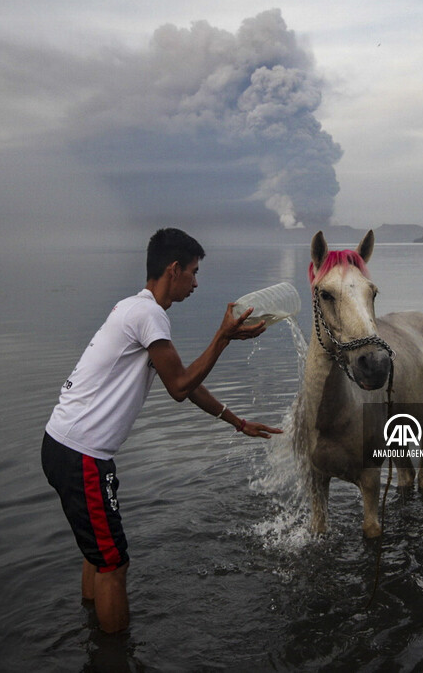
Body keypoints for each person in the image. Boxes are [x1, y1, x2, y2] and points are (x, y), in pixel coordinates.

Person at [41, 227, 282, 634]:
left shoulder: (135, 310)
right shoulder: (148, 314)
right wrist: (221, 338)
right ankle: (115, 656)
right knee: (115, 564)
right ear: (174, 269)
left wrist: (237, 422)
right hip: (81, 454)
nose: (196, 281)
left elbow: (186, 383)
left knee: (99, 556)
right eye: (193, 271)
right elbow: (179, 387)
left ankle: (90, 627)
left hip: (65, 446)